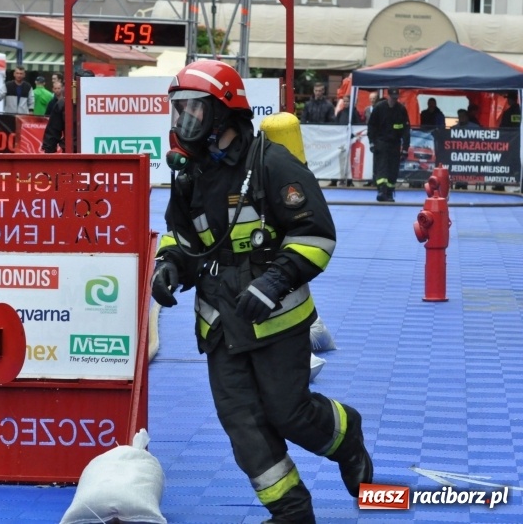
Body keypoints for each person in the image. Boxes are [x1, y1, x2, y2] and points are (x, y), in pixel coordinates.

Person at [150, 60, 372, 524]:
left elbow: (316, 236)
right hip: (218, 322)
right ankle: (291, 511)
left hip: (277, 320)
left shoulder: (271, 162)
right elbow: (180, 233)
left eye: (192, 110)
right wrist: (169, 264)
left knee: (289, 415)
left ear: (223, 113)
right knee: (244, 427)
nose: (182, 121)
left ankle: (347, 436)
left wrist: (273, 281)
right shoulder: (190, 173)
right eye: (178, 110)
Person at [367, 87, 410, 202]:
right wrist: (372, 142)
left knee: (392, 169)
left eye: (396, 98)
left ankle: (390, 192)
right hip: (381, 142)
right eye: (392, 98)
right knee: (381, 168)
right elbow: (371, 126)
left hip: (395, 143)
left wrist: (405, 148)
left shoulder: (401, 110)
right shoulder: (379, 108)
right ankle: (382, 190)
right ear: (388, 96)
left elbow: (406, 130)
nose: (394, 100)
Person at [42, 70, 94, 153]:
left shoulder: (101, 103)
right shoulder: (63, 104)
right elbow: (53, 130)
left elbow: (52, 131)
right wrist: (49, 152)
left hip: (93, 149)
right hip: (73, 150)